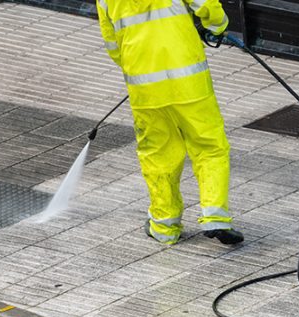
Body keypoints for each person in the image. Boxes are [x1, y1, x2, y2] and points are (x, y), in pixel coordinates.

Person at [96, 0, 244, 245]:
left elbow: (112, 44)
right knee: (209, 146)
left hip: (145, 88)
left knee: (158, 155)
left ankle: (164, 226)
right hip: (189, 82)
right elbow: (207, 6)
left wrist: (142, 66)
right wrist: (218, 27)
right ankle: (214, 215)